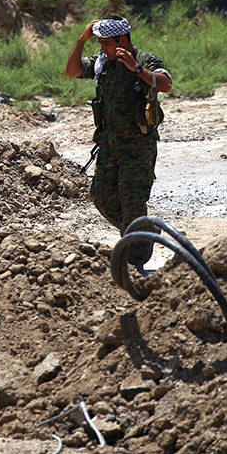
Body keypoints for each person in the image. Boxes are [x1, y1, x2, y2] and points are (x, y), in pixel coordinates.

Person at [65, 15, 172, 268]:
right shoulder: (103, 63)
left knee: (132, 204)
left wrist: (137, 69)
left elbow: (166, 84)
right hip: (109, 146)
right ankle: (144, 233)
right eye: (100, 44)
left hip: (138, 149)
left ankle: (135, 263)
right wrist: (81, 39)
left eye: (106, 43)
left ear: (122, 40)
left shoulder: (145, 60)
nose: (102, 48)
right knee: (101, 197)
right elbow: (72, 70)